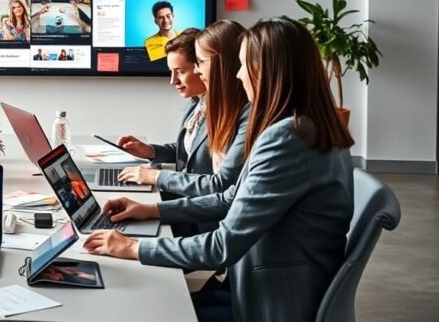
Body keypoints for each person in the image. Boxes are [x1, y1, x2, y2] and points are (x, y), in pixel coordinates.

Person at [84, 18, 355, 322]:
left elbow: (222, 245)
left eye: (242, 66)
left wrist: (134, 247)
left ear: (264, 71)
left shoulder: (288, 137)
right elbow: (229, 199)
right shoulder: (307, 126)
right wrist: (151, 211)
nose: (238, 76)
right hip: (259, 283)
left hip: (270, 301)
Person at [118, 21, 251, 206]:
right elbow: (189, 151)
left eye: (180, 71)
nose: (173, 81)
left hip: (203, 212)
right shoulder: (198, 102)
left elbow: (222, 184)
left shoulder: (244, 114)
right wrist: (150, 151)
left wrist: (156, 177)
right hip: (187, 204)